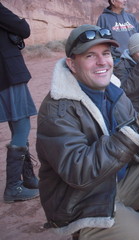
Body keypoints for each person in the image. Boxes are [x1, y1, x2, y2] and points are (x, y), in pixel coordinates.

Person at [36, 24, 139, 240]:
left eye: (106, 53)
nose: (102, 62)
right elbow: (79, 171)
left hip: (116, 185)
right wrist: (136, 127)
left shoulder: (113, 92)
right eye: (90, 55)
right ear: (72, 64)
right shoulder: (57, 110)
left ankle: (134, 226)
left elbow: (136, 143)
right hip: (83, 204)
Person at [0, 3, 39, 203]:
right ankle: (13, 187)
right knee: (22, 124)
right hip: (7, 72)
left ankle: (29, 178)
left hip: (4, 76)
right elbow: (24, 30)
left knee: (17, 124)